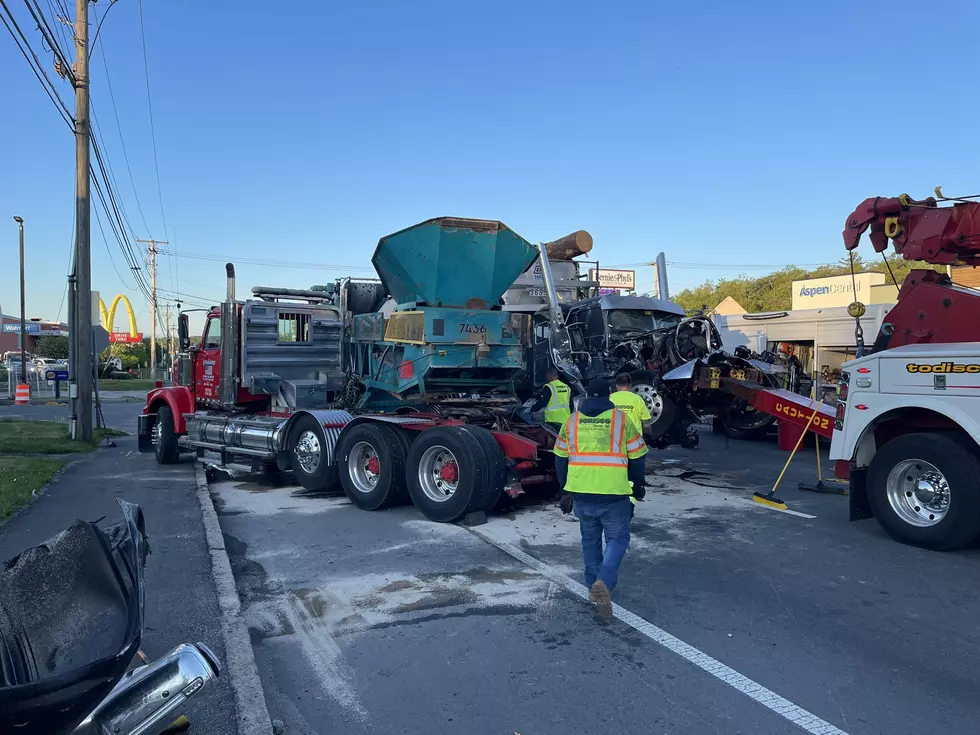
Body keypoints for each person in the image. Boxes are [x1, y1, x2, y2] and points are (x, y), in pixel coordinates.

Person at [553, 379, 647, 620]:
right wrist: (638, 486)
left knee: (590, 540)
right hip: (613, 493)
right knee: (618, 538)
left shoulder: (571, 421)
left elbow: (560, 458)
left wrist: (566, 490)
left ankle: (593, 587)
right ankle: (604, 582)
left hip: (582, 493)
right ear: (609, 396)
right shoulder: (621, 420)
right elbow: (637, 458)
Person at [610, 373, 652, 438]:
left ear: (617, 386)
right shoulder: (637, 399)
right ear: (630, 385)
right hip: (634, 439)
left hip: (616, 438)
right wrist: (648, 436)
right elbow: (646, 422)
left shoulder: (610, 398)